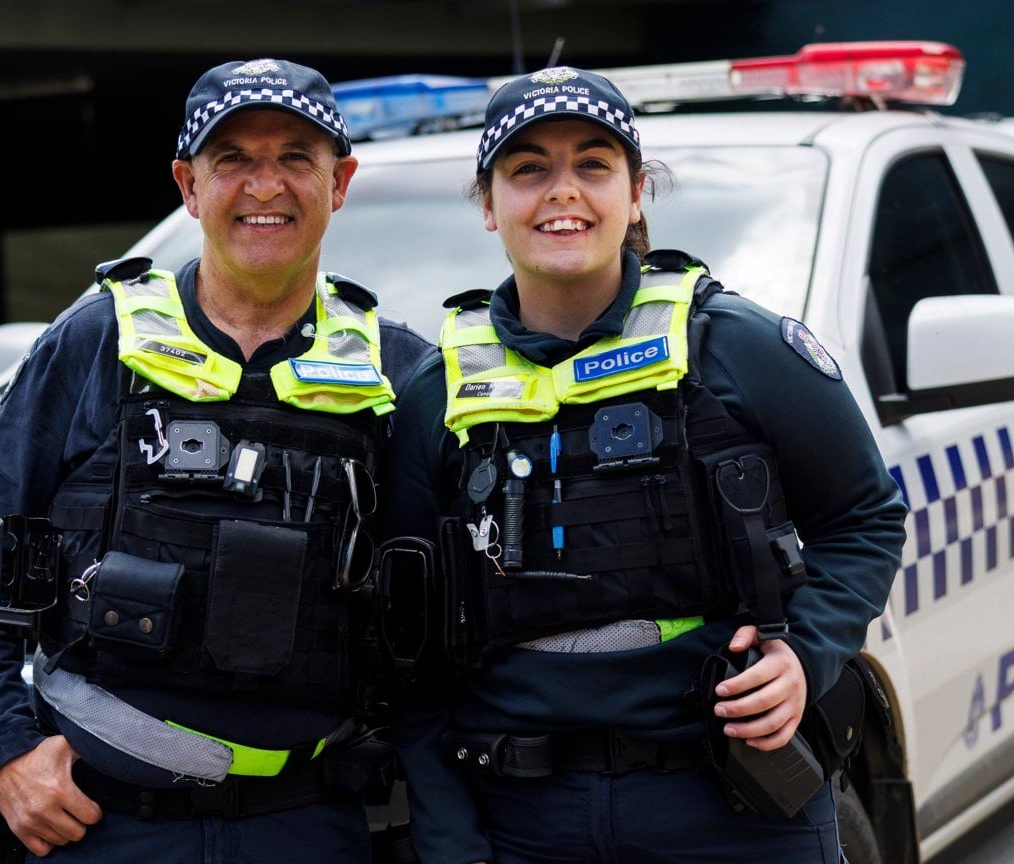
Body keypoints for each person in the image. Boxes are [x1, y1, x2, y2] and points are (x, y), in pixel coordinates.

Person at [380, 67, 908, 863]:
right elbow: (411, 659)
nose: (564, 191)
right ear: (488, 204)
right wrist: (452, 847)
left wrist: (805, 653)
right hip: (527, 821)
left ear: (634, 195)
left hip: (738, 810)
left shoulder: (739, 349)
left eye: (594, 164)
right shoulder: (437, 394)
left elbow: (864, 517)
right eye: (529, 169)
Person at [0, 58, 430, 862]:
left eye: (295, 159)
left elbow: (442, 609)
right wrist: (4, 748)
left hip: (309, 823)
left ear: (339, 182)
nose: (264, 186)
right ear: (189, 185)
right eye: (232, 159)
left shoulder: (397, 371)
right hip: (103, 825)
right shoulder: (97, 341)